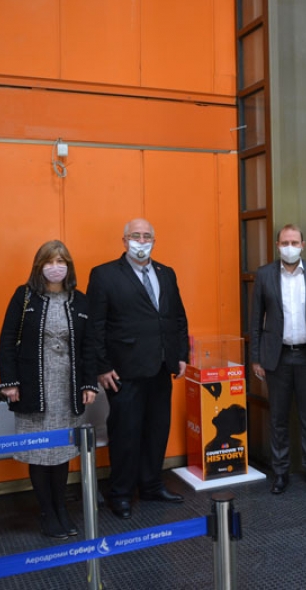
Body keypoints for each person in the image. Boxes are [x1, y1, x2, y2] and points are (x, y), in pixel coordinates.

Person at [87, 218, 189, 520]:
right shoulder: (104, 275)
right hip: (123, 371)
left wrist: (180, 355)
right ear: (124, 240)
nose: (141, 241)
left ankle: (151, 485)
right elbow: (95, 326)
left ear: (154, 241)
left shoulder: (166, 273)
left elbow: (177, 318)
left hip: (161, 367)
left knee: (157, 431)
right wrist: (102, 366)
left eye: (146, 236)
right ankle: (120, 493)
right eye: (135, 236)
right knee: (126, 433)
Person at [0, 240, 98, 539]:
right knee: (40, 451)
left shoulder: (80, 301)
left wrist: (89, 383)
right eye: (49, 262)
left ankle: (61, 508)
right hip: (33, 387)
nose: (56, 267)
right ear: (39, 266)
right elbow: (7, 340)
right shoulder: (24, 296)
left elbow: (89, 346)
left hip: (67, 388)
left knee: (62, 451)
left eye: (61, 261)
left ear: (69, 266)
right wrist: (10, 382)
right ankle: (47, 512)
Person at [250, 224, 306, 494]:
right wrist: (256, 358)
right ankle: (280, 473)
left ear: (303, 245)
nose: (290, 247)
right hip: (277, 357)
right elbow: (255, 320)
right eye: (285, 243)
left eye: (294, 242)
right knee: (278, 418)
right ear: (278, 245)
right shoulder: (264, 274)